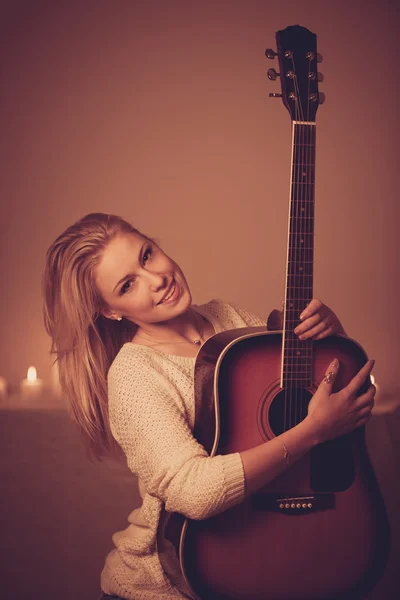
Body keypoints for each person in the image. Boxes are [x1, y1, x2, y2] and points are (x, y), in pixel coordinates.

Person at [42, 213, 376, 600]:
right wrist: (311, 432)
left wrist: (334, 339)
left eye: (147, 255)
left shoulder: (228, 318)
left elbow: (332, 410)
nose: (157, 280)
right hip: (172, 583)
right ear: (111, 310)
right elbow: (193, 492)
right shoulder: (135, 375)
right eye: (128, 284)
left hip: (267, 557)